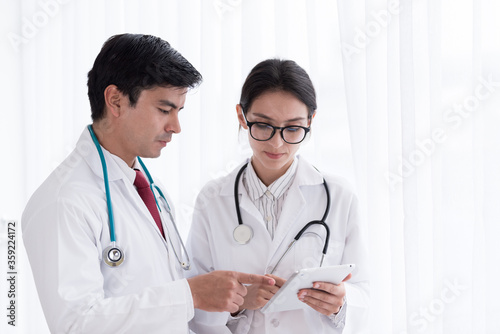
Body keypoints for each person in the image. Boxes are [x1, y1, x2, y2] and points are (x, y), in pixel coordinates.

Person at [21, 33, 274, 334]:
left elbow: (163, 299)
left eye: (179, 112)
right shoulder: (65, 201)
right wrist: (190, 293)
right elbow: (75, 324)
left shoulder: (147, 187)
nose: (176, 127)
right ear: (115, 100)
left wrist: (232, 296)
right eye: (164, 110)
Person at [186, 59, 369, 333]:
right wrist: (237, 302)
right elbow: (194, 298)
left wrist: (341, 302)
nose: (277, 143)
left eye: (293, 128)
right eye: (263, 125)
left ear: (310, 121)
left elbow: (363, 292)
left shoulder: (340, 197)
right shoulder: (213, 200)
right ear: (241, 116)